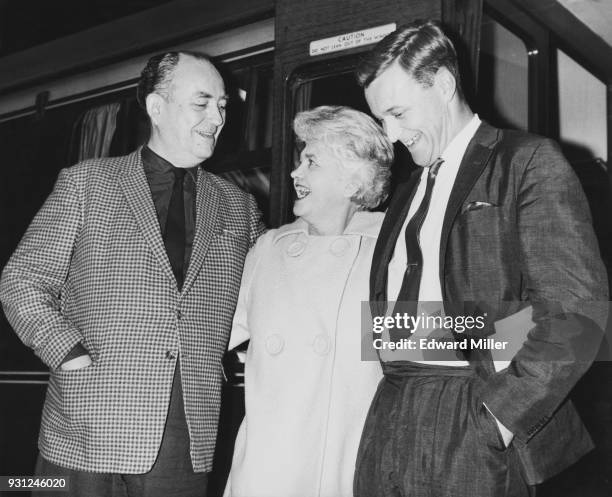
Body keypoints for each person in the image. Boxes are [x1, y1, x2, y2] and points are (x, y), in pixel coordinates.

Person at [353, 20, 608, 497]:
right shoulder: (407, 190)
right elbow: (405, 320)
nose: (391, 134)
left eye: (398, 112)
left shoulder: (526, 161)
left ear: (445, 85)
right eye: (381, 119)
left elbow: (577, 313)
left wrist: (499, 417)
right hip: (392, 413)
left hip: (472, 414)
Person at [0, 51, 264, 497]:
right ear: (156, 107)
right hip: (83, 424)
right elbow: (22, 280)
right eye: (201, 103)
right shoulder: (86, 183)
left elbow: (268, 292)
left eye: (223, 105)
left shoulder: (239, 206)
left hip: (185, 433)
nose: (217, 117)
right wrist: (69, 354)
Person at [223, 105, 393, 497]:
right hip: (264, 470)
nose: (294, 174)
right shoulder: (268, 250)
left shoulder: (388, 253)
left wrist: (539, 334)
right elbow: (211, 336)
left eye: (310, 162)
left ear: (354, 180)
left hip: (344, 468)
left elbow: (432, 354)